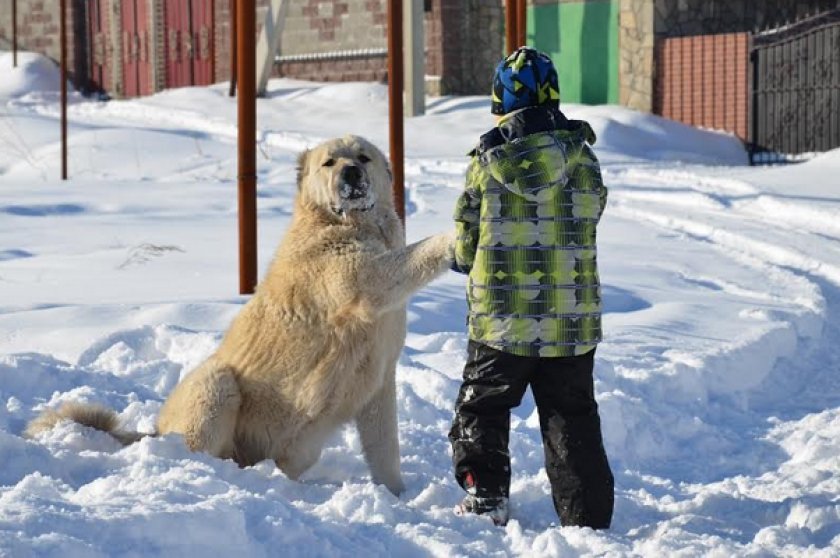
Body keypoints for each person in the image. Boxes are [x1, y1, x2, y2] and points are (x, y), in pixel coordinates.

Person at [448, 46, 613, 528]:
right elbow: (591, 214)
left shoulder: (486, 162)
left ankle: (485, 496)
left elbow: (465, 241)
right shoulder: (584, 157)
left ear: (500, 101)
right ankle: (586, 517)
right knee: (571, 415)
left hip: (501, 319)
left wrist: (474, 258)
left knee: (483, 405)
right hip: (571, 319)